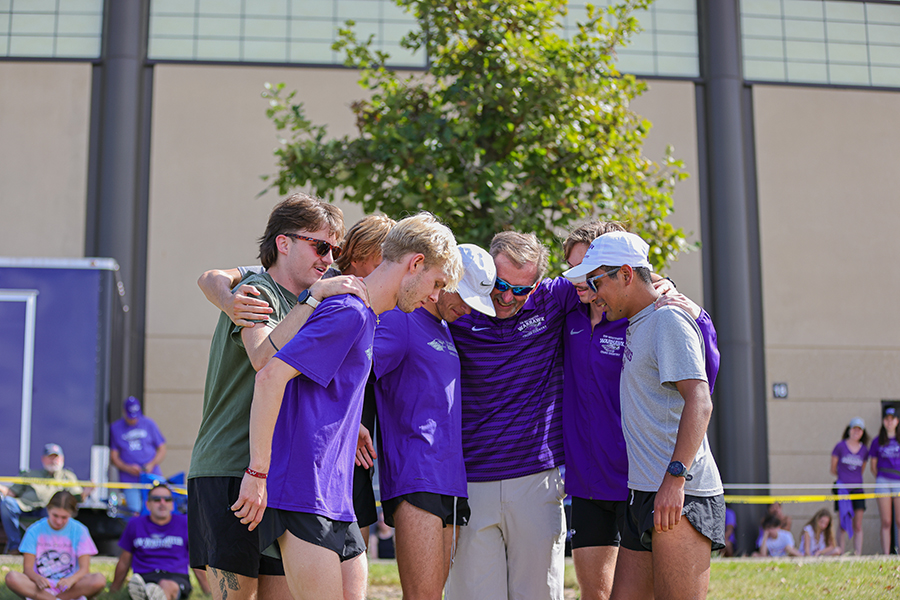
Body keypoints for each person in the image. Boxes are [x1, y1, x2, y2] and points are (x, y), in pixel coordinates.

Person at [233, 212, 462, 600]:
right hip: (302, 491)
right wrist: (257, 473)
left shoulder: (370, 315)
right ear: (416, 264)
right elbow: (269, 378)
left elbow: (319, 388)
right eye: (437, 283)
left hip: (337, 497)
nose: (436, 296)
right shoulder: (350, 312)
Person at [188, 193, 366, 600]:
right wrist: (315, 298)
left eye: (334, 250)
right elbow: (263, 357)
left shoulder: (307, 295)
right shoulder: (257, 291)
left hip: (276, 474)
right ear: (283, 243)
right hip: (231, 467)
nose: (328, 259)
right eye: (320, 246)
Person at [561, 221, 720, 600]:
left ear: (627, 275)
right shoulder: (636, 320)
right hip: (642, 493)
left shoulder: (668, 318)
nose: (595, 295)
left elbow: (700, 400)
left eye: (598, 283)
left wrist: (675, 478)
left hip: (680, 494)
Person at [444, 231, 575, 600]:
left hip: (536, 478)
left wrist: (664, 286)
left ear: (537, 284)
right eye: (500, 285)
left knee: (539, 594)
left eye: (521, 290)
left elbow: (611, 274)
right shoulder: (458, 308)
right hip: (470, 480)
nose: (507, 297)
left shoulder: (553, 299)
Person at [373, 243, 495, 600]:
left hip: (452, 479)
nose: (467, 310)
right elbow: (355, 374)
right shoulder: (401, 319)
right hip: (415, 474)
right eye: (463, 298)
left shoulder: (443, 325)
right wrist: (359, 427)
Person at [111, 484, 210, 600]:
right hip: (145, 576)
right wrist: (114, 591)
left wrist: (207, 591)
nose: (162, 503)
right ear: (148, 505)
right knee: (148, 587)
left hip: (175, 577)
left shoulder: (185, 523)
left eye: (167, 499)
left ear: (172, 505)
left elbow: (196, 558)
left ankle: (150, 596)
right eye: (156, 499)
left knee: (165, 585)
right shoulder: (135, 524)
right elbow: (124, 561)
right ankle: (148, 593)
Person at [4, 491, 106, 600]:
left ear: (71, 514)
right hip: (40, 587)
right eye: (55, 515)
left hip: (69, 587)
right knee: (12, 577)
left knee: (99, 579)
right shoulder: (34, 530)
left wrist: (71, 580)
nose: (58, 521)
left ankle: (49, 598)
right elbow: (27, 569)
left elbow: (84, 569)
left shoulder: (80, 530)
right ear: (48, 510)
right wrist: (37, 578)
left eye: (64, 517)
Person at [0, 443, 84, 555]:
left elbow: (77, 497)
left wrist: (86, 492)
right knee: (6, 503)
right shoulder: (30, 474)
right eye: (50, 457)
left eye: (56, 457)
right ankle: (15, 546)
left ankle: (48, 548)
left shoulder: (68, 477)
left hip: (49, 510)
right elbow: (11, 493)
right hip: (24, 506)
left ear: (62, 459)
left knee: (54, 513)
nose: (53, 461)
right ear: (43, 459)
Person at [110, 396, 167, 515]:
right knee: (134, 510)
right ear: (124, 412)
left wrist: (151, 464)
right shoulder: (116, 428)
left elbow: (162, 448)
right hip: (129, 479)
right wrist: (127, 468)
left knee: (156, 508)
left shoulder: (149, 424)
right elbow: (114, 456)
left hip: (151, 476)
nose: (134, 420)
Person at [831, 416, 869, 555]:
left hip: (857, 489)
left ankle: (857, 554)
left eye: (859, 430)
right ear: (849, 430)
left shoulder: (864, 450)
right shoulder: (840, 446)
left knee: (858, 524)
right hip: (842, 490)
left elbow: (862, 469)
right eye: (854, 429)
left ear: (862, 432)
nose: (856, 432)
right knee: (842, 523)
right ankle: (841, 553)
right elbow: (833, 468)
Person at [870, 405, 900, 554]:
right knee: (886, 521)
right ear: (883, 421)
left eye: (892, 419)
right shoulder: (877, 441)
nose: (889, 422)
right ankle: (886, 555)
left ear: (897, 421)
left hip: (899, 482)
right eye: (887, 419)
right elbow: (873, 466)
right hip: (883, 481)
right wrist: (882, 478)